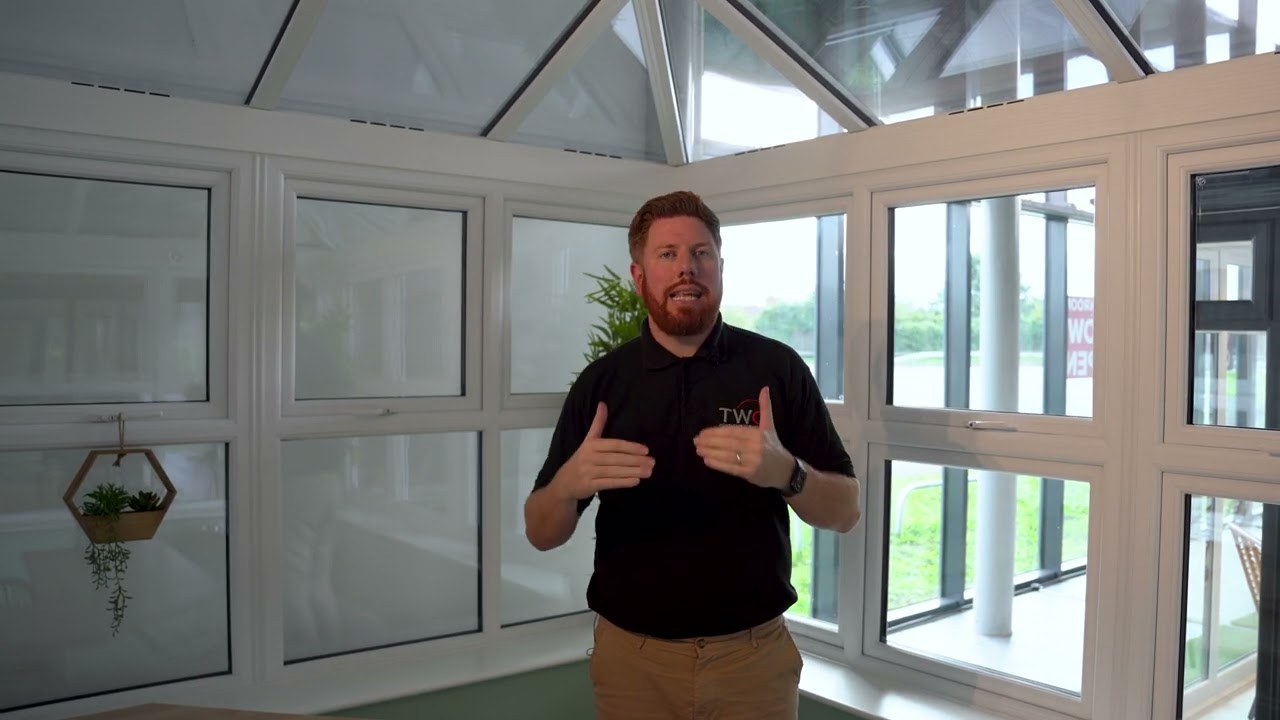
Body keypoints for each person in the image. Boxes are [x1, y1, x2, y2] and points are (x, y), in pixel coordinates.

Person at [523, 190, 861, 719]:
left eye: (702, 253)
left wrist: (788, 474)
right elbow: (541, 532)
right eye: (668, 254)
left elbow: (845, 512)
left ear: (721, 268)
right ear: (639, 277)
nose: (688, 268)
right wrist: (568, 483)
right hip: (632, 664)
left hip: (752, 660)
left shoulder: (777, 369)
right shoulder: (603, 383)